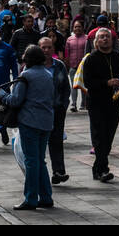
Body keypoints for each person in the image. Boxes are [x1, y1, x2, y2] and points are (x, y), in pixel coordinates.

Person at [0, 44, 56, 210]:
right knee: (40, 160)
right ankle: (46, 196)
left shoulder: (26, 76)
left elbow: (15, 100)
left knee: (31, 161)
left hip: (30, 122)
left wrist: (1, 94)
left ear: (26, 60)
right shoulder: (48, 74)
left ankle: (30, 198)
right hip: (46, 122)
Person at [81, 27, 119, 182]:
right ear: (96, 41)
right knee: (99, 136)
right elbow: (88, 81)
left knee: (108, 137)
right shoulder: (91, 58)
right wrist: (106, 83)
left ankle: (97, 168)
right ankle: (103, 169)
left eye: (107, 37)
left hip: (114, 102)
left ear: (112, 40)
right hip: (96, 102)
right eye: (101, 37)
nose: (104, 39)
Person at [41, 35, 72, 184]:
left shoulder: (59, 65)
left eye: (49, 47)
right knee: (40, 143)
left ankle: (58, 171)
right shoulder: (33, 66)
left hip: (57, 109)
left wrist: (64, 105)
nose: (46, 50)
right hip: (39, 111)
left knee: (56, 141)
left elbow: (66, 87)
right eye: (43, 47)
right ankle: (40, 173)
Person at [65, 20, 90, 112]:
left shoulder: (87, 38)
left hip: (83, 67)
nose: (77, 28)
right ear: (73, 28)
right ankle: (73, 104)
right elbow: (67, 53)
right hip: (73, 66)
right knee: (74, 85)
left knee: (83, 85)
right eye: (75, 27)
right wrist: (67, 64)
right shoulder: (69, 39)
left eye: (79, 26)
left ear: (83, 28)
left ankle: (83, 103)